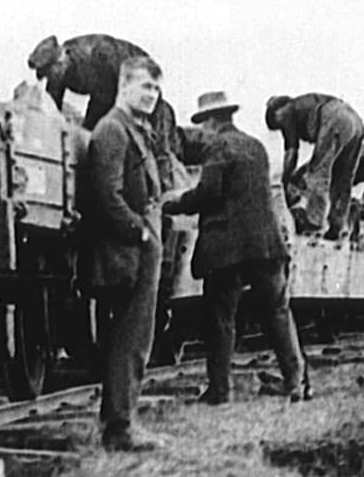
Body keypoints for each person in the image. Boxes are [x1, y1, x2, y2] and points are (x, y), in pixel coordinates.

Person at [162, 91, 308, 405]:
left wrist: (174, 204)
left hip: (227, 249)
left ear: (211, 121)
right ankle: (296, 383)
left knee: (220, 318)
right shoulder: (255, 146)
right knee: (278, 313)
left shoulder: (217, 146)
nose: (202, 131)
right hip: (267, 245)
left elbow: (210, 192)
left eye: (202, 124)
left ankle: (220, 390)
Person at [80, 55, 166, 450]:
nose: (152, 94)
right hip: (126, 249)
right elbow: (106, 195)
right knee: (130, 339)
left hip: (134, 247)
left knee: (133, 337)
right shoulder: (114, 129)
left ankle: (122, 420)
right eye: (144, 86)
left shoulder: (133, 129)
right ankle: (120, 427)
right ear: (124, 86)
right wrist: (141, 233)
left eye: (155, 87)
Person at [27, 31, 180, 183]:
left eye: (50, 73)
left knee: (155, 150)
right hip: (118, 92)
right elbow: (51, 107)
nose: (51, 79)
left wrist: (84, 135)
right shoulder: (58, 70)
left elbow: (101, 101)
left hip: (139, 85)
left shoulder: (95, 57)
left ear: (61, 61)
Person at [264, 92, 364, 238]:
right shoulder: (301, 104)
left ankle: (314, 223)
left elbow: (291, 154)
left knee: (317, 172)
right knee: (342, 178)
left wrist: (285, 182)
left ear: (275, 114)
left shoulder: (285, 112)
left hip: (334, 117)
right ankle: (337, 226)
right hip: (355, 122)